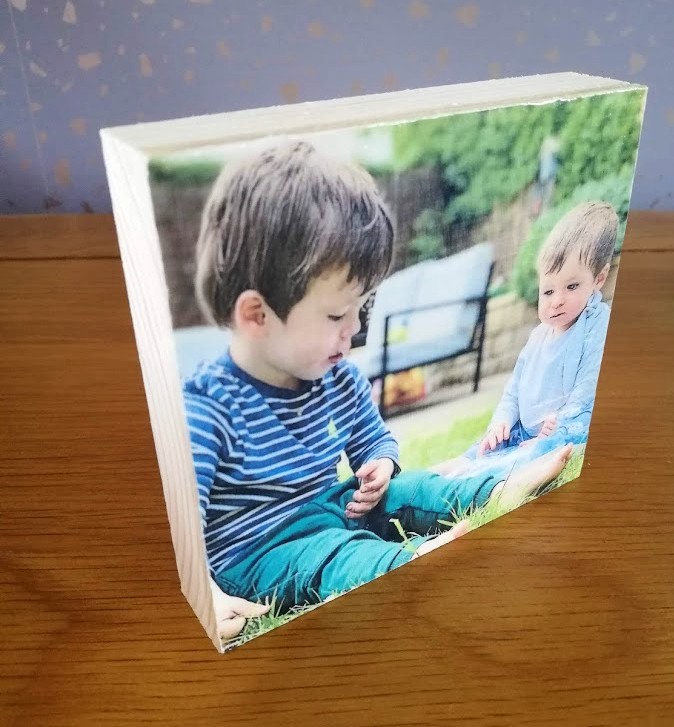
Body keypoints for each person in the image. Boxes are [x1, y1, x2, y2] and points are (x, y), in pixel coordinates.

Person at [183, 140, 574, 639]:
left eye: (361, 308)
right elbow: (180, 531)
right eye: (336, 315)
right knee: (335, 556)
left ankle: (495, 488)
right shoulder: (207, 410)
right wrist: (205, 593)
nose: (354, 330)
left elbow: (373, 439)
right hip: (259, 552)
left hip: (333, 506)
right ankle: (410, 563)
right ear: (257, 315)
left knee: (413, 488)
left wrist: (380, 463)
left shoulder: (338, 376)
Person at [433, 201, 617, 478]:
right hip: (523, 430)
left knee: (552, 448)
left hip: (567, 426)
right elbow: (514, 391)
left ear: (598, 279)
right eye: (548, 291)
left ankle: (483, 473)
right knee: (484, 448)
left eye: (571, 286)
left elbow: (587, 392)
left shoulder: (596, 324)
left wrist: (558, 426)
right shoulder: (537, 337)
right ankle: (446, 469)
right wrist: (501, 422)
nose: (556, 301)